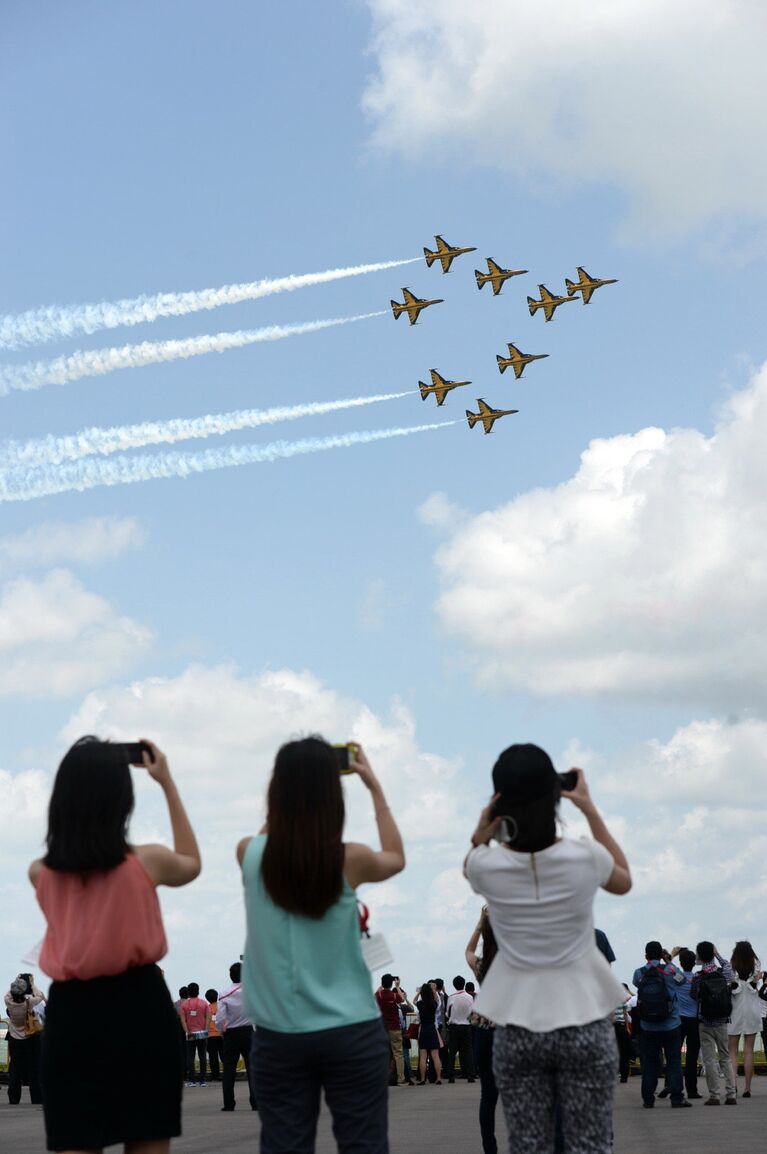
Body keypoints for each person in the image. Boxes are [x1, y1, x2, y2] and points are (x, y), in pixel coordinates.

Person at [30, 736, 200, 1153]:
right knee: (147, 1139)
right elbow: (192, 863)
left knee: (76, 1139)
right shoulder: (147, 861)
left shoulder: (41, 873)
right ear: (120, 799)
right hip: (140, 1007)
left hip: (71, 1014)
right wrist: (167, 782)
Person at [238, 737, 405, 1154]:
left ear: (276, 793)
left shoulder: (251, 854)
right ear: (333, 797)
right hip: (351, 1029)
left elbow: (269, 832)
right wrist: (373, 785)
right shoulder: (352, 858)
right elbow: (396, 856)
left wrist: (287, 791)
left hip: (279, 1034)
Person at [465, 743, 631, 1154]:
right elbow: (624, 879)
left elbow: (473, 857)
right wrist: (588, 808)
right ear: (555, 796)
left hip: (517, 1024)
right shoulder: (584, 857)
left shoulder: (484, 867)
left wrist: (481, 831)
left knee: (529, 1146)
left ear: (498, 802)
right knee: (590, 1144)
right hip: (585, 1021)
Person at [632, 941, 689, 1108]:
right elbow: (682, 980)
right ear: (661, 955)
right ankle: (677, 1098)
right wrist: (669, 961)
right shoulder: (669, 971)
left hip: (648, 1026)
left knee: (649, 1062)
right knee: (674, 1060)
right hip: (670, 1024)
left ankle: (648, 1099)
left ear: (645, 956)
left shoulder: (639, 973)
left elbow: (636, 984)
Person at [465, 908, 499, 1154]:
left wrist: (479, 925)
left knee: (488, 1095)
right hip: (511, 1033)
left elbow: (468, 951)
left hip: (484, 1031)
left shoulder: (482, 967)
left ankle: (490, 1147)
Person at [691, 941, 736, 1106]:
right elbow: (729, 967)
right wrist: (717, 954)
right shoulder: (723, 972)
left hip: (705, 1022)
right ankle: (731, 1094)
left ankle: (715, 1096)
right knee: (725, 1058)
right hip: (722, 1021)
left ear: (700, 956)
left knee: (709, 1060)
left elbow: (694, 995)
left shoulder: (698, 976)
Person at [216, 961, 257, 1112]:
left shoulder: (224, 994)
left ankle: (229, 1104)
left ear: (230, 976)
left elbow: (220, 1018)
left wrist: (221, 1031)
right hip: (248, 1032)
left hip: (231, 1034)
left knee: (229, 1069)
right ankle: (256, 1102)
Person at [727, 940, 762, 1097]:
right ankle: (747, 1088)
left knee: (732, 1051)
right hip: (752, 1010)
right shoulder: (756, 964)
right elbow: (755, 984)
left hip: (735, 1011)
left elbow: (731, 985)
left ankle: (733, 1085)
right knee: (749, 1051)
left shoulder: (732, 965)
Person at [5, 973, 44, 1105]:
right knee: (34, 1069)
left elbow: (10, 992)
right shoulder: (29, 1002)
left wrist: (17, 980)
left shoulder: (8, 1001)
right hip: (30, 1037)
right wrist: (32, 984)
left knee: (15, 1069)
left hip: (15, 1038)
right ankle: (37, 1098)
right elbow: (39, 996)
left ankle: (14, 1098)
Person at [375, 974, 407, 1086]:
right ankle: (401, 1079)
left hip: (382, 1028)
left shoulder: (378, 995)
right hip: (395, 1028)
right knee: (398, 1054)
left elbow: (374, 996)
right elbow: (402, 999)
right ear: (391, 983)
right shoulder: (394, 996)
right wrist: (397, 986)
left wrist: (383, 985)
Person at [180, 982, 211, 1087]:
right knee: (203, 1056)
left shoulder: (184, 1004)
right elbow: (208, 1017)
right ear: (198, 991)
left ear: (188, 992)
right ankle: (203, 1080)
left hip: (191, 1033)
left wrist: (187, 1031)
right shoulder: (204, 1003)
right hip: (202, 1033)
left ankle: (192, 1081)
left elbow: (183, 1020)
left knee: (190, 1057)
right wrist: (206, 1030)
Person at [446, 975, 476, 1082]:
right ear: (464, 984)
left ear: (454, 985)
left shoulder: (451, 997)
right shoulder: (470, 997)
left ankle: (451, 1076)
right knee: (468, 1051)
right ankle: (471, 1075)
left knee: (452, 1052)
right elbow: (472, 1013)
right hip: (466, 1026)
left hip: (454, 1027)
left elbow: (447, 1013)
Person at [415, 981, 443, 1084]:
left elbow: (414, 1001)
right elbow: (438, 1001)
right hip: (432, 1029)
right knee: (435, 1056)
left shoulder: (420, 1004)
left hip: (423, 1030)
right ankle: (439, 1078)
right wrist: (434, 991)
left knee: (423, 1056)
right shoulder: (434, 1004)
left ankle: (422, 1079)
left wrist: (419, 992)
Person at [613, 984, 633, 1084]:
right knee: (623, 1052)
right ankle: (624, 1076)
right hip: (622, 1026)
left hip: (612, 1027)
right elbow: (625, 1013)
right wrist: (627, 1028)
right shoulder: (622, 999)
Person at [205, 988, 223, 1081]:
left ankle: (215, 1075)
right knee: (224, 1055)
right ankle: (227, 1073)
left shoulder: (206, 1009)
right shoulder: (221, 1007)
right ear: (217, 997)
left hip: (210, 1036)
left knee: (213, 1056)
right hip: (222, 1035)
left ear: (207, 998)